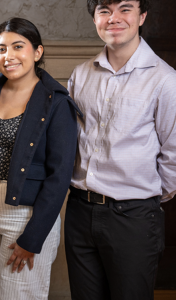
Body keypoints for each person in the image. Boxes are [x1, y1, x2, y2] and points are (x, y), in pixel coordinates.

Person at [0, 17, 80, 300]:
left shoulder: (57, 102)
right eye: (1, 49)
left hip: (25, 216)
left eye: (18, 46)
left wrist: (34, 235)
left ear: (37, 52)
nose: (9, 56)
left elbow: (60, 175)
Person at [66, 0, 176, 299]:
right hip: (79, 211)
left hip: (134, 216)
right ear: (95, 19)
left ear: (142, 17)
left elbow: (173, 154)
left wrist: (144, 198)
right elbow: (71, 141)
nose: (113, 18)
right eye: (104, 10)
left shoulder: (165, 80)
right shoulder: (80, 74)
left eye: (125, 9)